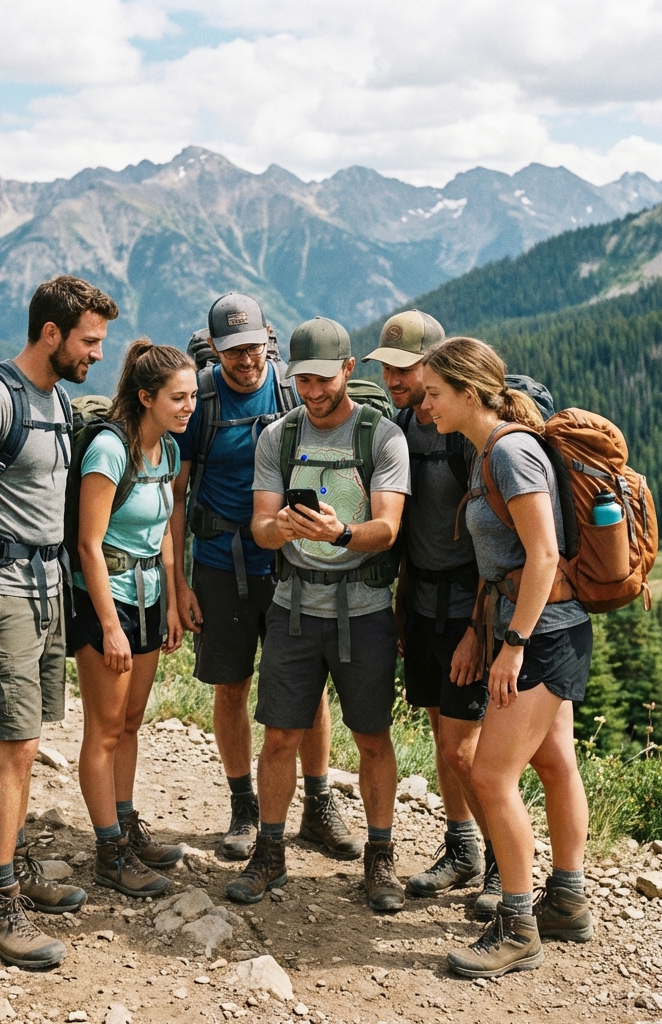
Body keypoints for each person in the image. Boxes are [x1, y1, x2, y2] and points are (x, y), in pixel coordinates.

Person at [0, 275, 117, 969]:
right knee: (11, 745)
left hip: (45, 589)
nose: (97, 354)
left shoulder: (55, 399)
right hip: (0, 592)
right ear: (51, 333)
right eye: (89, 341)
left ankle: (12, 865)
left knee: (28, 742)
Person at [419, 337, 593, 979]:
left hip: (542, 635)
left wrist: (512, 646)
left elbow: (543, 555)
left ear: (469, 393)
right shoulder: (488, 449)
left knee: (492, 777)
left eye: (435, 393)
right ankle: (567, 901)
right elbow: (502, 563)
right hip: (541, 628)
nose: (426, 405)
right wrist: (480, 630)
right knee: (554, 761)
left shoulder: (511, 454)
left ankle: (518, 927)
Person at [228, 316, 411, 910]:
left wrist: (341, 533)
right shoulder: (277, 438)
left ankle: (380, 858)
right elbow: (259, 526)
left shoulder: (382, 437)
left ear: (348, 370)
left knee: (372, 738)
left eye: (324, 379)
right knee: (281, 735)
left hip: (365, 610)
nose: (312, 391)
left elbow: (388, 529)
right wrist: (278, 527)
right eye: (303, 380)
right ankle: (270, 853)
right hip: (294, 607)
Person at [170, 293, 359, 862]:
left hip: (291, 562)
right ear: (215, 348)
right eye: (233, 350)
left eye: (253, 346)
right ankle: (243, 805)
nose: (245, 359)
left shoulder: (290, 390)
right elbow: (176, 495)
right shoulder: (200, 399)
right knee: (231, 685)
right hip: (219, 562)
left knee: (309, 686)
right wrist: (179, 583)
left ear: (268, 339)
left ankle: (318, 802)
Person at [364, 310, 501, 918]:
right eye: (387, 368)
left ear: (436, 366)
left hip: (468, 607)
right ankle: (462, 846)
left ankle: (500, 862)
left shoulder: (465, 436)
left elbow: (492, 540)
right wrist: (399, 607)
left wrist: (476, 630)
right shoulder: (400, 428)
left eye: (406, 368)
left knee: (464, 745)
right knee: (442, 734)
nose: (394, 379)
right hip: (419, 603)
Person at [69, 340, 194, 897]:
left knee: (131, 721)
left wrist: (171, 600)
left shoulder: (167, 449)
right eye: (178, 398)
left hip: (147, 598)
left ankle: (125, 825)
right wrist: (110, 625)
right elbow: (88, 544)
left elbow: (163, 528)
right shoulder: (108, 451)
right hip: (107, 601)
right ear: (146, 397)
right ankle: (109, 852)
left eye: (192, 397)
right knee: (104, 730)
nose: (189, 407)